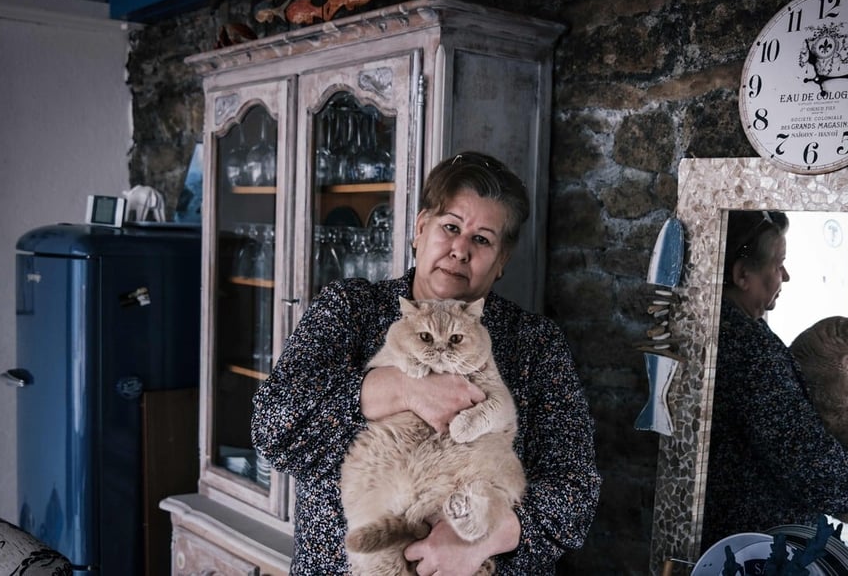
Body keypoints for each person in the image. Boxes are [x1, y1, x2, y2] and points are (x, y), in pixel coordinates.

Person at [251, 151, 602, 575]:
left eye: (482, 240)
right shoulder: (351, 308)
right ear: (420, 229)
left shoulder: (534, 345)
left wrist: (485, 539)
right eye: (450, 227)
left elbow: (576, 491)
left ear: (502, 260)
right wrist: (403, 388)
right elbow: (272, 426)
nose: (460, 250)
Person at [699, 210, 848, 549]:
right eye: (778, 264)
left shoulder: (720, 328)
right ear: (743, 275)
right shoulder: (747, 348)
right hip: (755, 546)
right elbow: (805, 458)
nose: (785, 275)